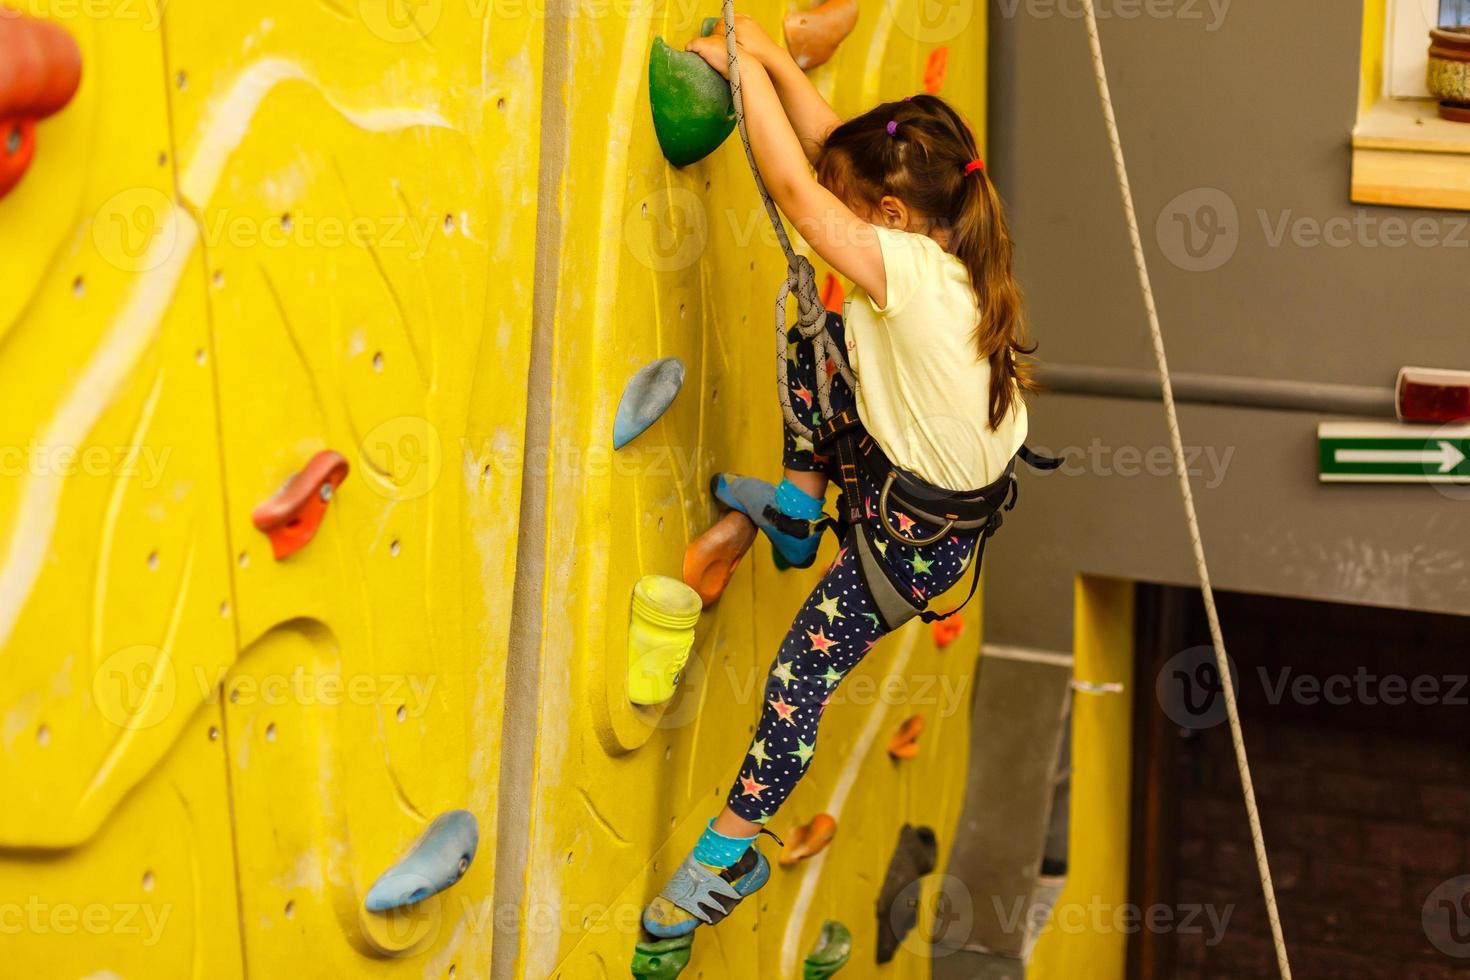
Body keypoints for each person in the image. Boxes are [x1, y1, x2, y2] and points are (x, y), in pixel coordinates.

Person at [642, 14, 1038, 940]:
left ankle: (726, 853)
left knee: (799, 677)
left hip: (910, 550)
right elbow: (841, 156)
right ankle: (793, 512)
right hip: (910, 498)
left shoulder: (900, 264)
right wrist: (777, 57)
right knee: (815, 344)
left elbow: (795, 182)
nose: (837, 194)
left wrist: (741, 71)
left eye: (850, 201)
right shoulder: (945, 242)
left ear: (890, 220)